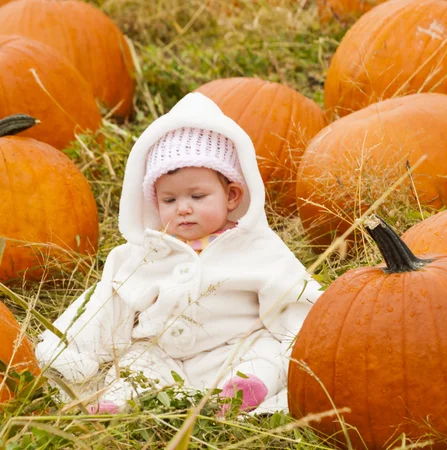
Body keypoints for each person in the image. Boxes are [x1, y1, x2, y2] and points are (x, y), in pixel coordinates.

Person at [35, 92, 323, 415]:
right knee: (136, 368)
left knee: (267, 355)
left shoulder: (255, 246)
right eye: (169, 200)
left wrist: (315, 342)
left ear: (231, 195)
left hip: (233, 349)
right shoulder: (146, 254)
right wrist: (70, 354)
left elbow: (294, 297)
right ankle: (117, 405)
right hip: (162, 354)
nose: (183, 209)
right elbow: (106, 304)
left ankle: (240, 393)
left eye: (197, 196)